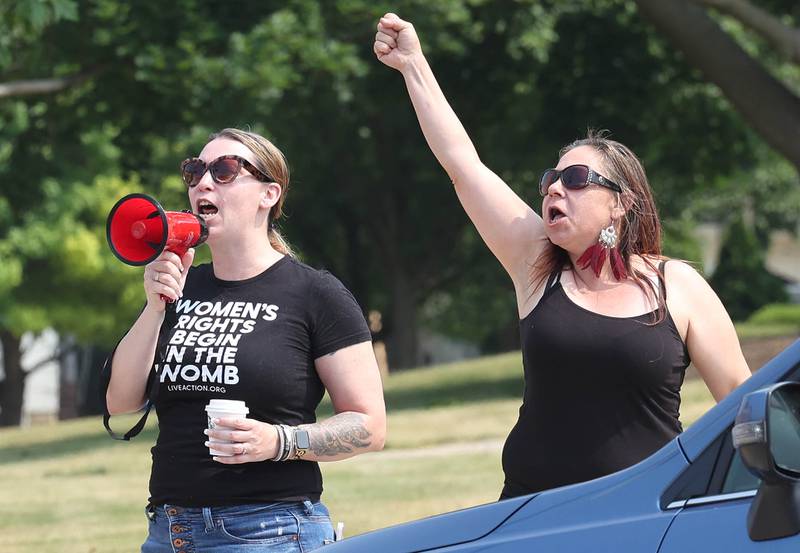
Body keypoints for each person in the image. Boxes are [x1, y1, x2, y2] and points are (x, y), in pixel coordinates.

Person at [373, 13, 751, 499]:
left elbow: (740, 399)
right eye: (550, 179)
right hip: (533, 512)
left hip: (643, 513)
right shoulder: (535, 263)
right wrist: (413, 65)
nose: (554, 188)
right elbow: (463, 166)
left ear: (620, 203)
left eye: (574, 180)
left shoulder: (676, 285)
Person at [103, 128, 386, 551]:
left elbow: (370, 425)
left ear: (269, 194)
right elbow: (120, 402)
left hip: (269, 531)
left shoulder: (314, 293)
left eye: (224, 170)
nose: (203, 182)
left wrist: (279, 442)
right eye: (194, 170)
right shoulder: (182, 287)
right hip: (168, 532)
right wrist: (154, 308)